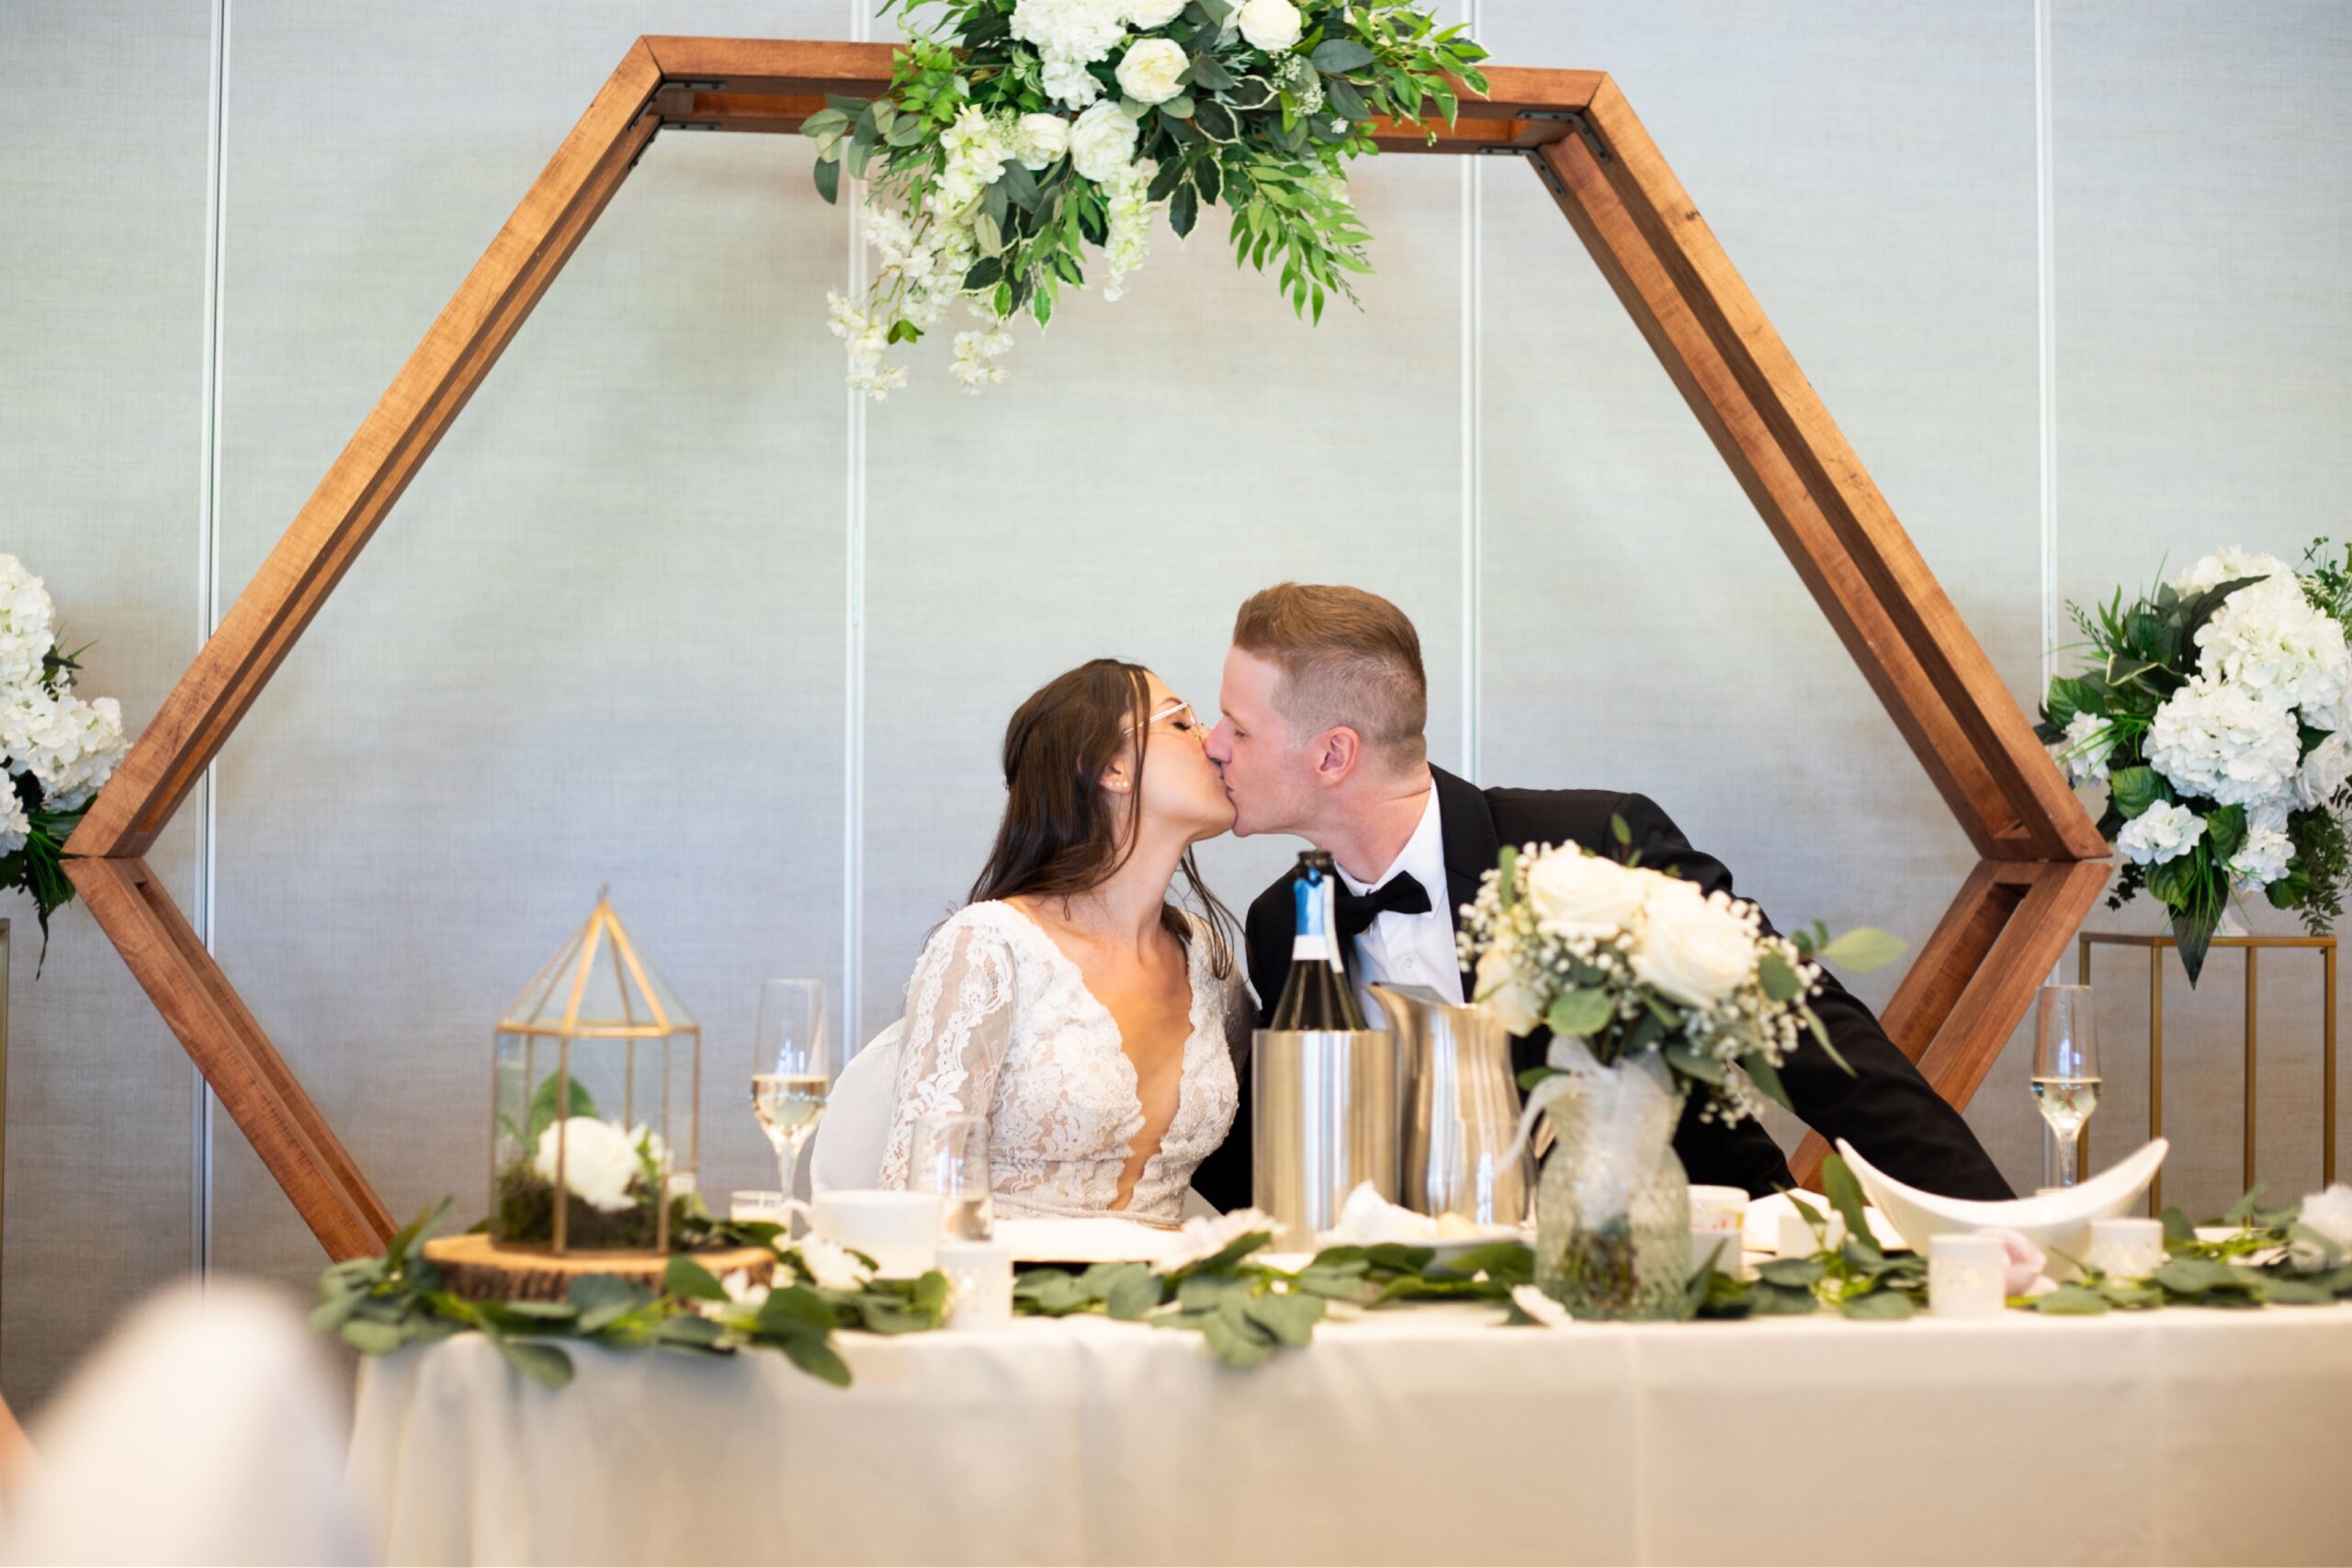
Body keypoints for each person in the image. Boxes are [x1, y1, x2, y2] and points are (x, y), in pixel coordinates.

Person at [1188, 581, 2014, 1213]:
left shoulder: (1594, 846)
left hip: (1688, 1271)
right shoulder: (1279, 926)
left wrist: (1980, 1218)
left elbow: (1804, 1027)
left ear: (1333, 755)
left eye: (1239, 725)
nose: (1213, 745)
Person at [876, 658, 1250, 1224]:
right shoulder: (989, 947)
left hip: (1166, 1299)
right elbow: (920, 1192)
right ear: (1109, 768)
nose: (1215, 742)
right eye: (1182, 722)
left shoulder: (1208, 959)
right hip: (1011, 1291)